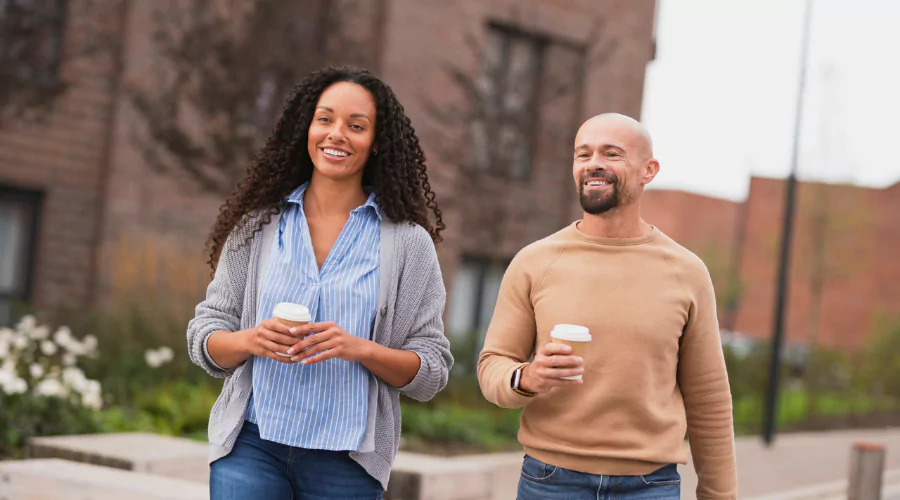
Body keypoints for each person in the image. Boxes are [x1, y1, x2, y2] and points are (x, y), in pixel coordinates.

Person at [187, 66, 453, 500]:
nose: (336, 134)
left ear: (377, 142)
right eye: (325, 119)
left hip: (347, 462)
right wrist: (251, 340)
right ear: (306, 129)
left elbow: (431, 370)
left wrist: (361, 349)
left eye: (357, 125)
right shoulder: (258, 226)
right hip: (252, 444)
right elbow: (205, 336)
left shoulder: (407, 243)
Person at [477, 113, 737, 499]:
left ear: (649, 170)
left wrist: (720, 496)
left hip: (651, 486)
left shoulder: (687, 272)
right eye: (583, 154)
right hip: (550, 482)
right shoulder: (535, 262)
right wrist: (527, 377)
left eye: (611, 153)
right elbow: (492, 366)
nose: (593, 162)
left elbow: (709, 398)